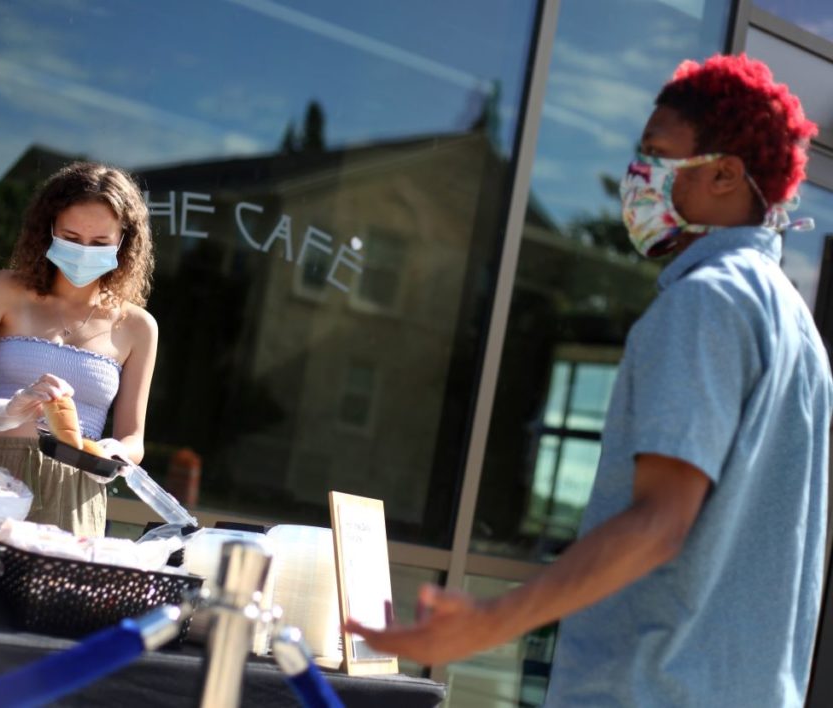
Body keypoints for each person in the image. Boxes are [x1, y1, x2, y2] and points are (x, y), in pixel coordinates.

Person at [348, 54, 832, 707]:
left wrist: (485, 624)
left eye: (656, 153)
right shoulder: (797, 329)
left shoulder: (704, 302)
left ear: (723, 174)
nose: (637, 175)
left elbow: (660, 523)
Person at [0, 161, 157, 537]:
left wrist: (118, 452)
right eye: (72, 237)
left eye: (99, 243)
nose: (84, 251)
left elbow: (134, 439)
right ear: (47, 230)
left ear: (124, 243)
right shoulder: (4, 290)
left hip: (76, 489)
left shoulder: (137, 326)